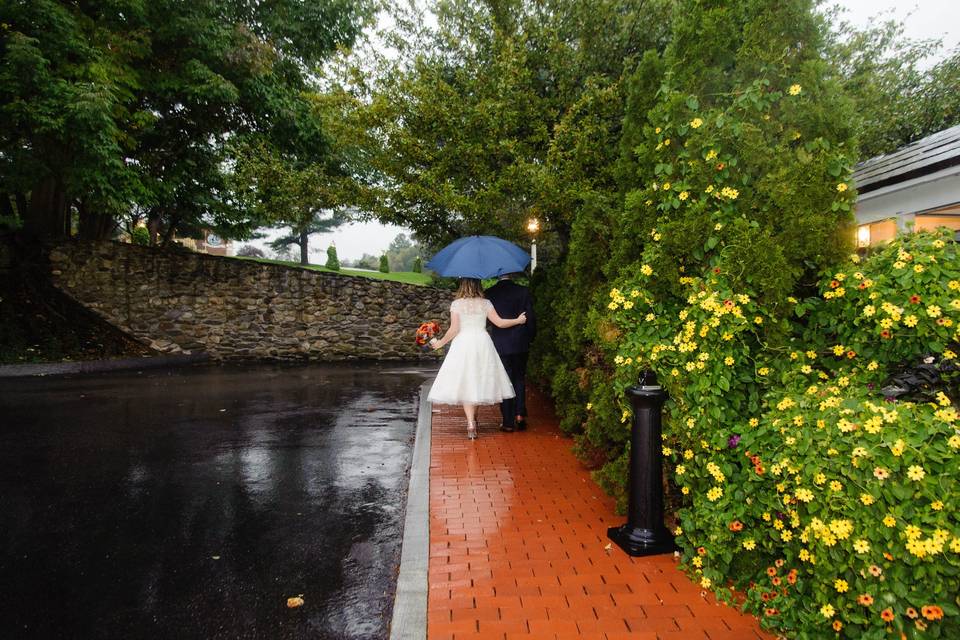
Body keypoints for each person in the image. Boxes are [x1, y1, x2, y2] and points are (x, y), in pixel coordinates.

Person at [428, 278, 527, 440]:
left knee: (468, 381)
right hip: (482, 343)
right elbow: (500, 323)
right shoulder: (486, 303)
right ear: (478, 285)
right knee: (478, 381)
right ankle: (473, 420)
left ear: (462, 285)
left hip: (463, 344)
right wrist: (518, 320)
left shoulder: (457, 304)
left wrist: (440, 343)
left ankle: (471, 423)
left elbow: (454, 330)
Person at [484, 273, 536, 432]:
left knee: (504, 380)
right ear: (511, 274)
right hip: (520, 342)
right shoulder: (523, 291)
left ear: (498, 275)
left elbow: (487, 321)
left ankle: (507, 422)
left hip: (501, 344)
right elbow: (531, 319)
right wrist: (531, 337)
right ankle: (520, 414)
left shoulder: (490, 293)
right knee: (519, 378)